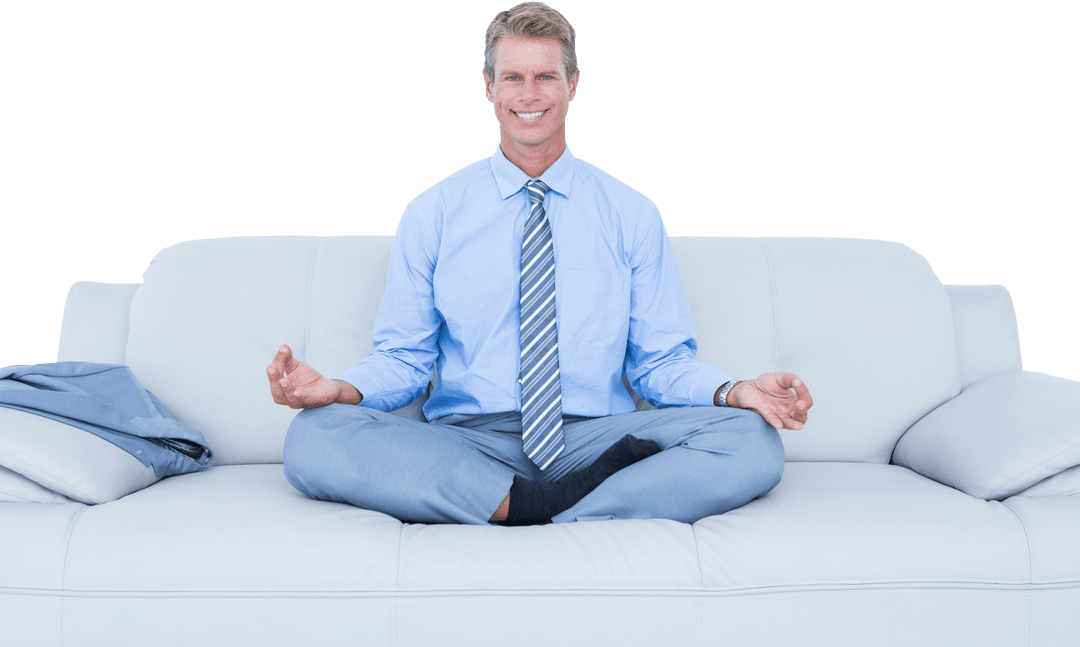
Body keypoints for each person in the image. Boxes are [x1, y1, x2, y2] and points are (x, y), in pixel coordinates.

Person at [268, 2, 812, 526]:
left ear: (573, 84)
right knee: (312, 436)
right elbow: (403, 359)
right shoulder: (432, 212)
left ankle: (525, 506)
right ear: (488, 86)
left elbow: (659, 364)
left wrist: (734, 392)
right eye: (512, 78)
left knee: (753, 440)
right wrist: (336, 390)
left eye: (546, 77)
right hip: (468, 441)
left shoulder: (631, 213)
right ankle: (546, 506)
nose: (529, 95)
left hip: (593, 438)